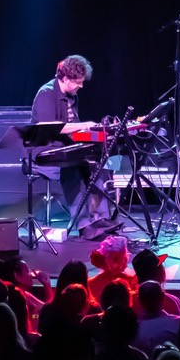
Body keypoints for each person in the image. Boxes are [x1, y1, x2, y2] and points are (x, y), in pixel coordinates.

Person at [30, 54, 116, 236]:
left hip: (66, 148)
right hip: (45, 153)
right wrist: (85, 124)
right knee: (70, 170)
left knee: (98, 166)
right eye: (78, 82)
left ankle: (100, 218)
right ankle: (84, 224)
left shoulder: (72, 95)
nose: (81, 86)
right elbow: (52, 129)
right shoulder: (46, 94)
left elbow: (73, 129)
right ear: (66, 78)